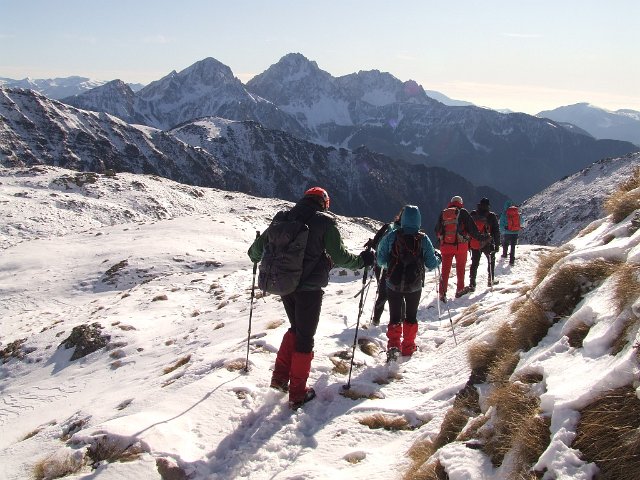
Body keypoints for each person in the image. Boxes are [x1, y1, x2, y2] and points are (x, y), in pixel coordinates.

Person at [248, 187, 374, 410]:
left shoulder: (283, 218)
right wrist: (363, 261)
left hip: (286, 285)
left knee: (296, 328)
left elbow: (255, 252)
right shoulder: (325, 223)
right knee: (305, 337)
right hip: (310, 289)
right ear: (324, 203)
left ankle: (279, 379)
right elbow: (340, 256)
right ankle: (297, 394)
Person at [376, 205, 441, 359]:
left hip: (393, 284)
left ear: (403, 219)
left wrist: (388, 266)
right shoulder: (423, 239)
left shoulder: (392, 236)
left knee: (394, 316)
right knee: (411, 316)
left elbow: (380, 259)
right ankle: (408, 346)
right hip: (415, 285)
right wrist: (438, 259)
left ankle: (393, 346)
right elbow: (431, 264)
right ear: (418, 220)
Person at [434, 195, 487, 301]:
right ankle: (459, 290)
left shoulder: (443, 213)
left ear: (451, 202)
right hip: (461, 246)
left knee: (445, 270)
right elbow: (473, 230)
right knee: (460, 269)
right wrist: (483, 238)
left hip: (445, 247)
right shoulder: (463, 212)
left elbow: (437, 230)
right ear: (461, 203)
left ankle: (442, 293)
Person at [364, 209, 403, 326]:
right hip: (399, 267)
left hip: (382, 266)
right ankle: (400, 320)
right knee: (400, 294)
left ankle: (376, 319)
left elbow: (376, 243)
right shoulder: (409, 233)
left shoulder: (387, 227)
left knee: (382, 294)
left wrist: (371, 243)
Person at [469, 197, 501, 290]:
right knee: (491, 261)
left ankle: (472, 283)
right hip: (487, 242)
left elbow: (468, 230)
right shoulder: (491, 216)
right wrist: (497, 245)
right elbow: (496, 231)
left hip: (475, 242)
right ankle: (490, 280)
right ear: (488, 206)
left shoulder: (473, 214)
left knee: (474, 263)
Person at [499, 200, 522, 266]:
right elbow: (522, 221)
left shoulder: (504, 213)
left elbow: (501, 224)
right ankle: (512, 260)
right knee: (513, 246)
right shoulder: (516, 213)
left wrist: (502, 230)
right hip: (515, 232)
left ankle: (504, 254)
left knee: (505, 244)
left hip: (507, 232)